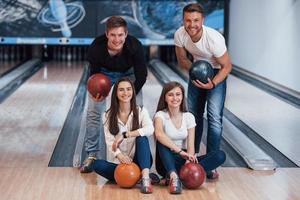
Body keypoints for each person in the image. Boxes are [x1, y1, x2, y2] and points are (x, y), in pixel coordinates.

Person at [80, 16, 147, 173]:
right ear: (107, 34)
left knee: (137, 113)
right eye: (113, 35)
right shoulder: (96, 48)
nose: (117, 39)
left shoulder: (135, 46)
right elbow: (94, 74)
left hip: (129, 74)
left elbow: (142, 76)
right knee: (94, 112)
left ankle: (136, 156)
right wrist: (97, 93)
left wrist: (130, 96)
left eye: (120, 35)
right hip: (104, 74)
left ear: (126, 34)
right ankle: (91, 155)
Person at [174, 3, 232, 178]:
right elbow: (182, 59)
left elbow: (227, 66)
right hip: (197, 71)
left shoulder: (214, 39)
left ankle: (212, 162)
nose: (192, 25)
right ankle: (193, 155)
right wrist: (194, 71)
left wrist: (212, 83)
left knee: (214, 117)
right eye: (188, 20)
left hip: (216, 73)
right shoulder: (180, 34)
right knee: (193, 115)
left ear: (203, 20)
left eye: (196, 20)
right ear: (183, 20)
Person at [154, 81, 226, 194]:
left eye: (178, 94)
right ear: (165, 98)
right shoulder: (160, 115)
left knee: (220, 155)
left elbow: (191, 146)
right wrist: (180, 152)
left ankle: (184, 175)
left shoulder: (189, 117)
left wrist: (188, 163)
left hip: (184, 158)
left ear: (182, 97)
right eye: (170, 94)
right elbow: (159, 134)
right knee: (162, 142)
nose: (175, 98)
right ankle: (174, 176)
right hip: (165, 161)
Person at [91, 77, 154, 194]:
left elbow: (150, 129)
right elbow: (110, 141)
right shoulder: (107, 116)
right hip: (119, 164)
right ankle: (134, 177)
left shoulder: (141, 112)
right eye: (121, 90)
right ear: (116, 93)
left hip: (139, 161)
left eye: (128, 89)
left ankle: (145, 178)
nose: (125, 93)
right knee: (96, 164)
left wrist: (126, 134)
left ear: (133, 92)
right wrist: (119, 155)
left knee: (142, 138)